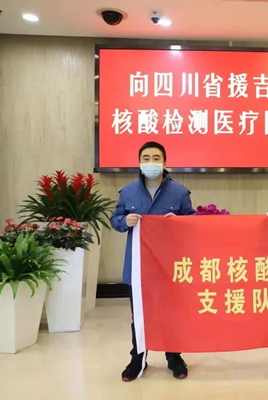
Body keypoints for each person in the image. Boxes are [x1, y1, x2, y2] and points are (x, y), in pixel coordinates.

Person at [111, 141, 195, 382]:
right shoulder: (128, 192)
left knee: (171, 314)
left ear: (165, 162)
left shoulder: (179, 192)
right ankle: (138, 358)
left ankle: (174, 357)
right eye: (146, 158)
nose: (151, 163)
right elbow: (115, 219)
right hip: (138, 267)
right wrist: (124, 221)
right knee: (139, 315)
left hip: (170, 266)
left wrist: (178, 222)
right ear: (139, 162)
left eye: (156, 158)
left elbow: (192, 222)